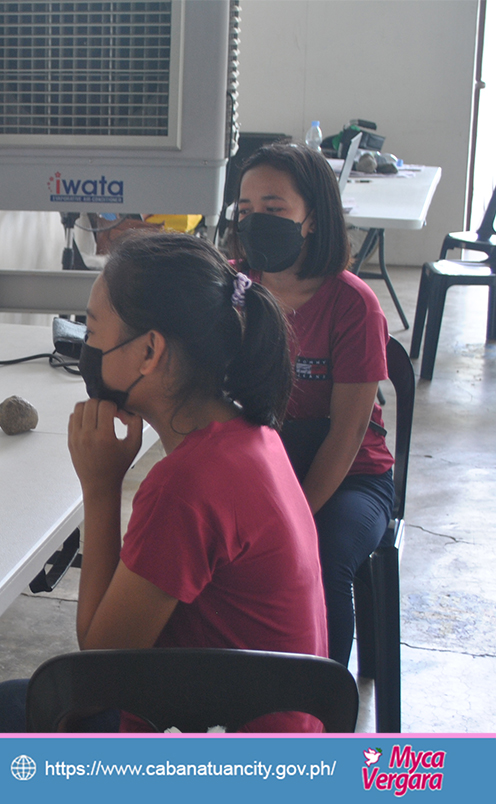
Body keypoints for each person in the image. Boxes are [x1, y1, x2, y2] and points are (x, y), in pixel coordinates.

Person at [0, 233, 328, 733]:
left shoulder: (184, 485)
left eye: (93, 329)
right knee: (15, 702)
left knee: (6, 711)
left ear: (149, 351)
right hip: (281, 733)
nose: (84, 345)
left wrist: (100, 489)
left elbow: (100, 664)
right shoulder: (252, 432)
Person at [233, 142, 396, 667]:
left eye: (275, 209)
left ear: (312, 219)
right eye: (246, 210)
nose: (258, 221)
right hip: (264, 467)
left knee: (319, 557)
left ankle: (324, 719)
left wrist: (293, 515)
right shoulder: (232, 290)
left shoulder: (353, 305)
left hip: (350, 476)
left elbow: (347, 435)